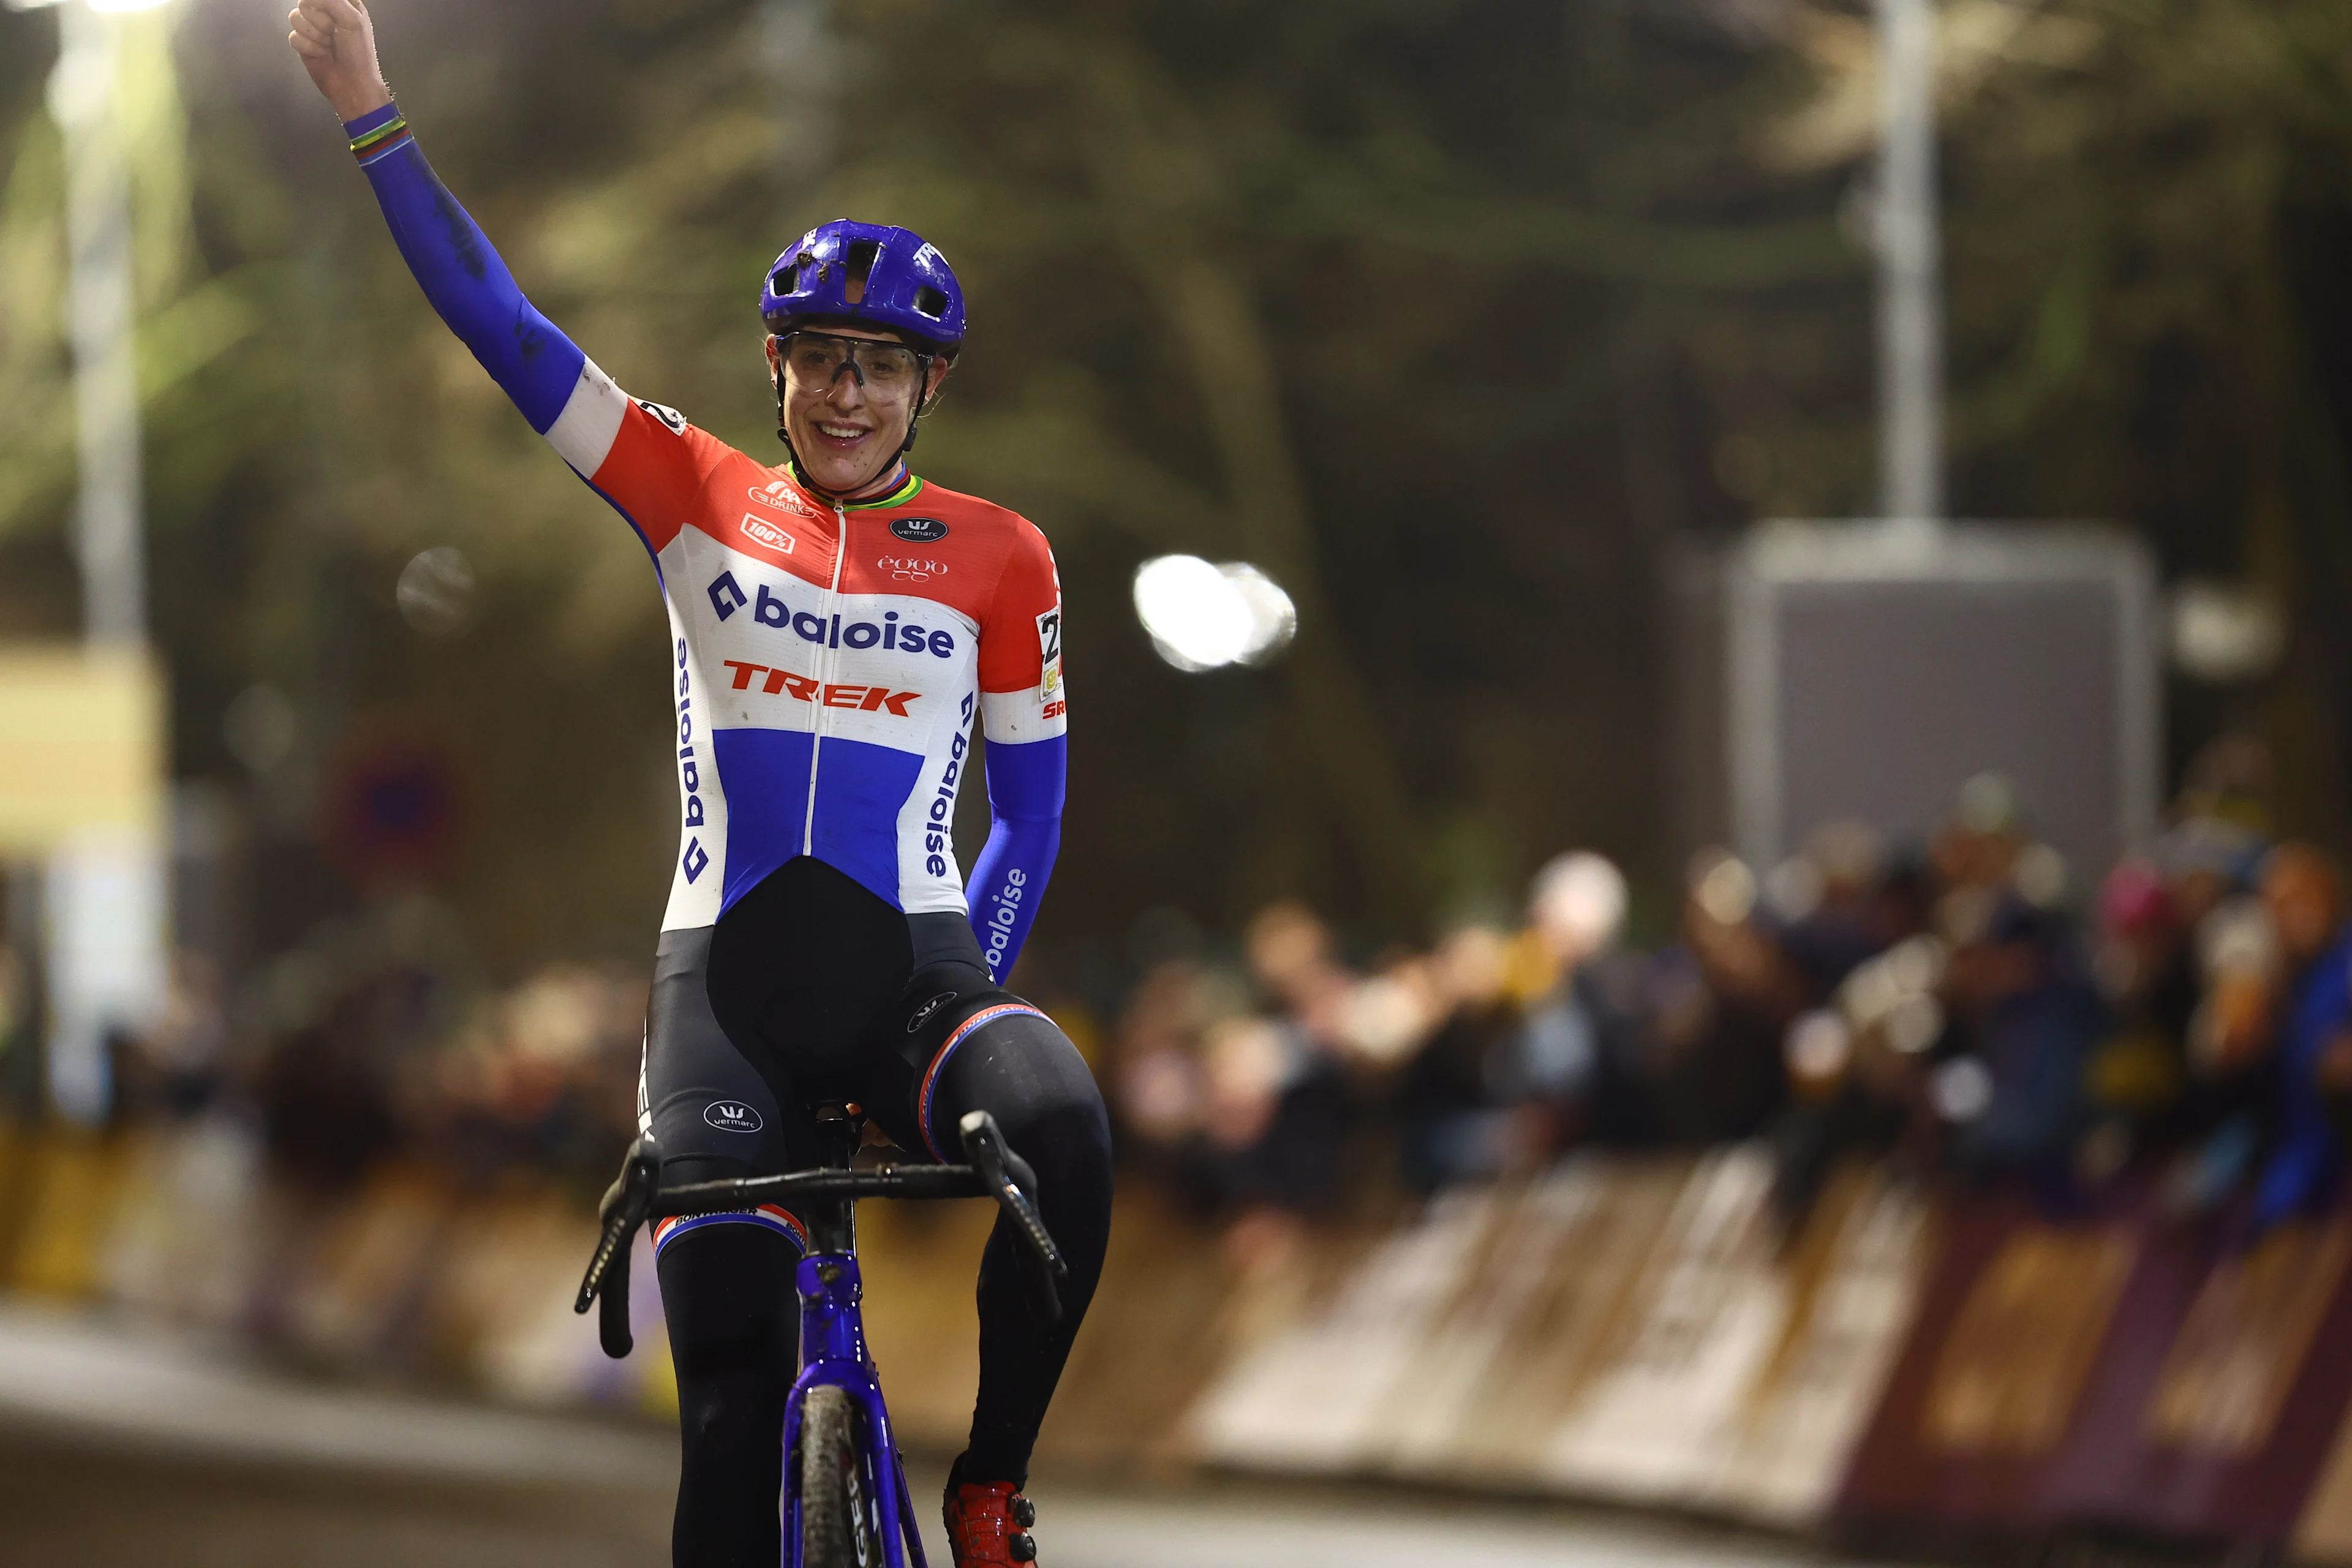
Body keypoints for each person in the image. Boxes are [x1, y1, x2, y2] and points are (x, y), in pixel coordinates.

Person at [287, 5, 1110, 1563]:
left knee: (1063, 1124)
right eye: (818, 361)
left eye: (881, 367)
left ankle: (993, 1480)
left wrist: (944, 1034)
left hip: (915, 974)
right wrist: (367, 106)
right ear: (777, 365)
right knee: (730, 1403)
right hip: (721, 984)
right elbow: (502, 324)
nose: (846, 395)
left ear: (928, 387)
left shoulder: (1005, 555)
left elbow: (1038, 811)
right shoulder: (694, 491)